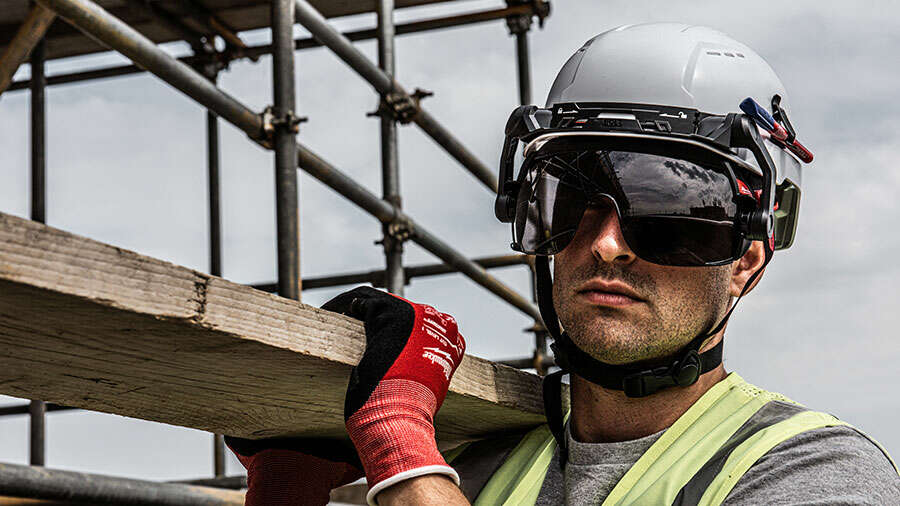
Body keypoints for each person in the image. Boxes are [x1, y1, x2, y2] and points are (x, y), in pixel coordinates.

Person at [226, 23, 900, 505]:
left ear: (747, 262)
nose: (604, 243)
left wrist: (401, 447)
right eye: (571, 200)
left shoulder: (809, 472)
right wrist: (289, 490)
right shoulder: (480, 465)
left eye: (668, 215)